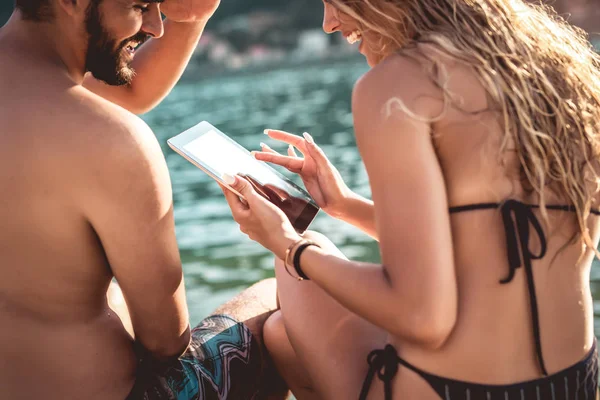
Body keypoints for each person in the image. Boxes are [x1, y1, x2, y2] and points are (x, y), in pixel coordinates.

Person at [220, 0, 600, 399]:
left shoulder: (396, 84)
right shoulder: (555, 68)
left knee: (293, 280)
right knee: (282, 335)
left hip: (458, 391)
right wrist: (344, 205)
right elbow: (489, 241)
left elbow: (422, 317)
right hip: (574, 381)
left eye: (334, 1)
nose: (328, 23)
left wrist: (288, 243)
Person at [0, 2, 287, 399]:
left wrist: (193, 17)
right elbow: (166, 343)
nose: (156, 26)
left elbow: (123, 89)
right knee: (276, 296)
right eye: (139, 5)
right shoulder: (110, 138)